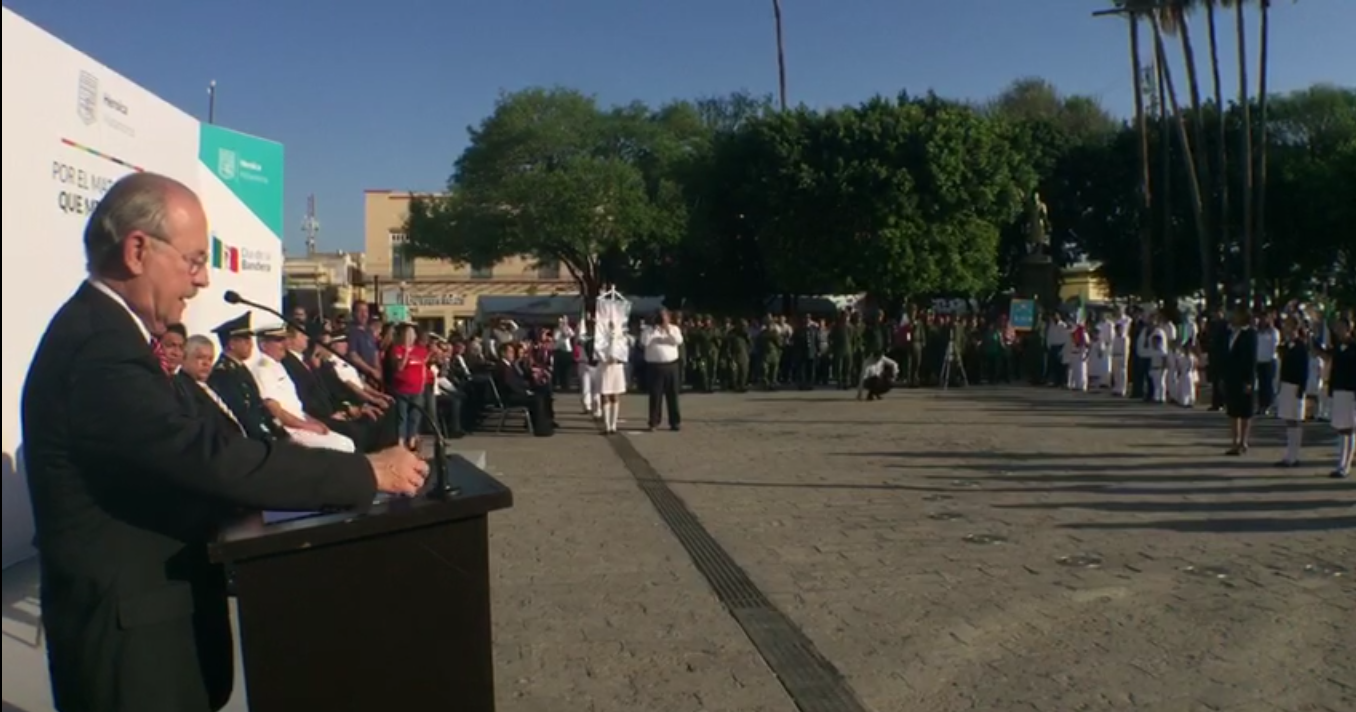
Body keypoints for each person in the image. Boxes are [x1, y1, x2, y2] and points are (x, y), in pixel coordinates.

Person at [19, 172, 429, 712]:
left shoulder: (110, 336)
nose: (203, 280)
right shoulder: (100, 349)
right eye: (192, 261)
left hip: (153, 628)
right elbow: (208, 459)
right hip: (131, 652)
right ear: (138, 250)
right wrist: (368, 473)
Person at [387, 321, 430, 450]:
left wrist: (423, 384)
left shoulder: (421, 351)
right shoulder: (396, 350)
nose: (409, 337)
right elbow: (399, 368)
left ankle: (411, 440)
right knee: (402, 416)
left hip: (417, 388)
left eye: (412, 334)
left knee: (415, 416)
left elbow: (422, 368)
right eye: (407, 334)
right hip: (402, 388)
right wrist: (406, 351)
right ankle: (401, 441)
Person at [1275, 316, 1311, 467]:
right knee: (1288, 420)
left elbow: (1304, 369)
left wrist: (1301, 388)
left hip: (1296, 386)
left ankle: (1294, 455)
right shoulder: (1286, 345)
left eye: (1289, 326)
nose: (1286, 328)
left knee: (1295, 420)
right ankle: (1289, 453)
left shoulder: (1300, 346)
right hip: (1286, 385)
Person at [1321, 318, 1354, 479]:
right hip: (1339, 390)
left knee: (1349, 429)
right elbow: (1333, 368)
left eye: (1342, 328)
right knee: (1341, 428)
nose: (1339, 331)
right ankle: (1340, 463)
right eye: (1337, 328)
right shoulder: (1338, 349)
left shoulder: (1353, 347)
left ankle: (1346, 464)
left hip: (1351, 391)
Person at [1224, 306, 1259, 455]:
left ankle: (1243, 441)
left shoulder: (1250, 334)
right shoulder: (1231, 333)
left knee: (1245, 410)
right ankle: (1234, 440)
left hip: (1244, 377)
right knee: (1233, 410)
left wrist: (1249, 381)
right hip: (1232, 377)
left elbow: (1251, 359)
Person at [643, 309, 683, 431]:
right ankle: (654, 422)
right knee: (655, 395)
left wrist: (667, 330)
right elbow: (644, 342)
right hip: (655, 366)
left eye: (664, 316)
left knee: (673, 395)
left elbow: (678, 341)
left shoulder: (674, 329)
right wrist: (655, 330)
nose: (662, 319)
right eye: (660, 317)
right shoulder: (648, 330)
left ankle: (675, 422)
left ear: (669, 318)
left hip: (671, 366)